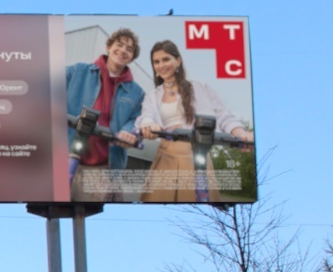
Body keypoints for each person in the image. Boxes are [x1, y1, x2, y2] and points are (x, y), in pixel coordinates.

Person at [133, 40, 253, 203]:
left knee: (200, 208)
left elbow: (224, 115)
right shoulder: (152, 95)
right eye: (156, 62)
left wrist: (241, 133)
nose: (161, 65)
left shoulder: (200, 88)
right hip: (165, 157)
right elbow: (147, 115)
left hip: (197, 154)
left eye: (166, 59)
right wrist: (148, 124)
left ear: (178, 61)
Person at [65, 28, 145, 202]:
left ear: (132, 57)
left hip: (101, 168)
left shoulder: (137, 93)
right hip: (64, 157)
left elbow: (136, 119)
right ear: (109, 46)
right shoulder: (78, 71)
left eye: (129, 49)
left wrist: (129, 132)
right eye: (119, 44)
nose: (123, 50)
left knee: (91, 215)